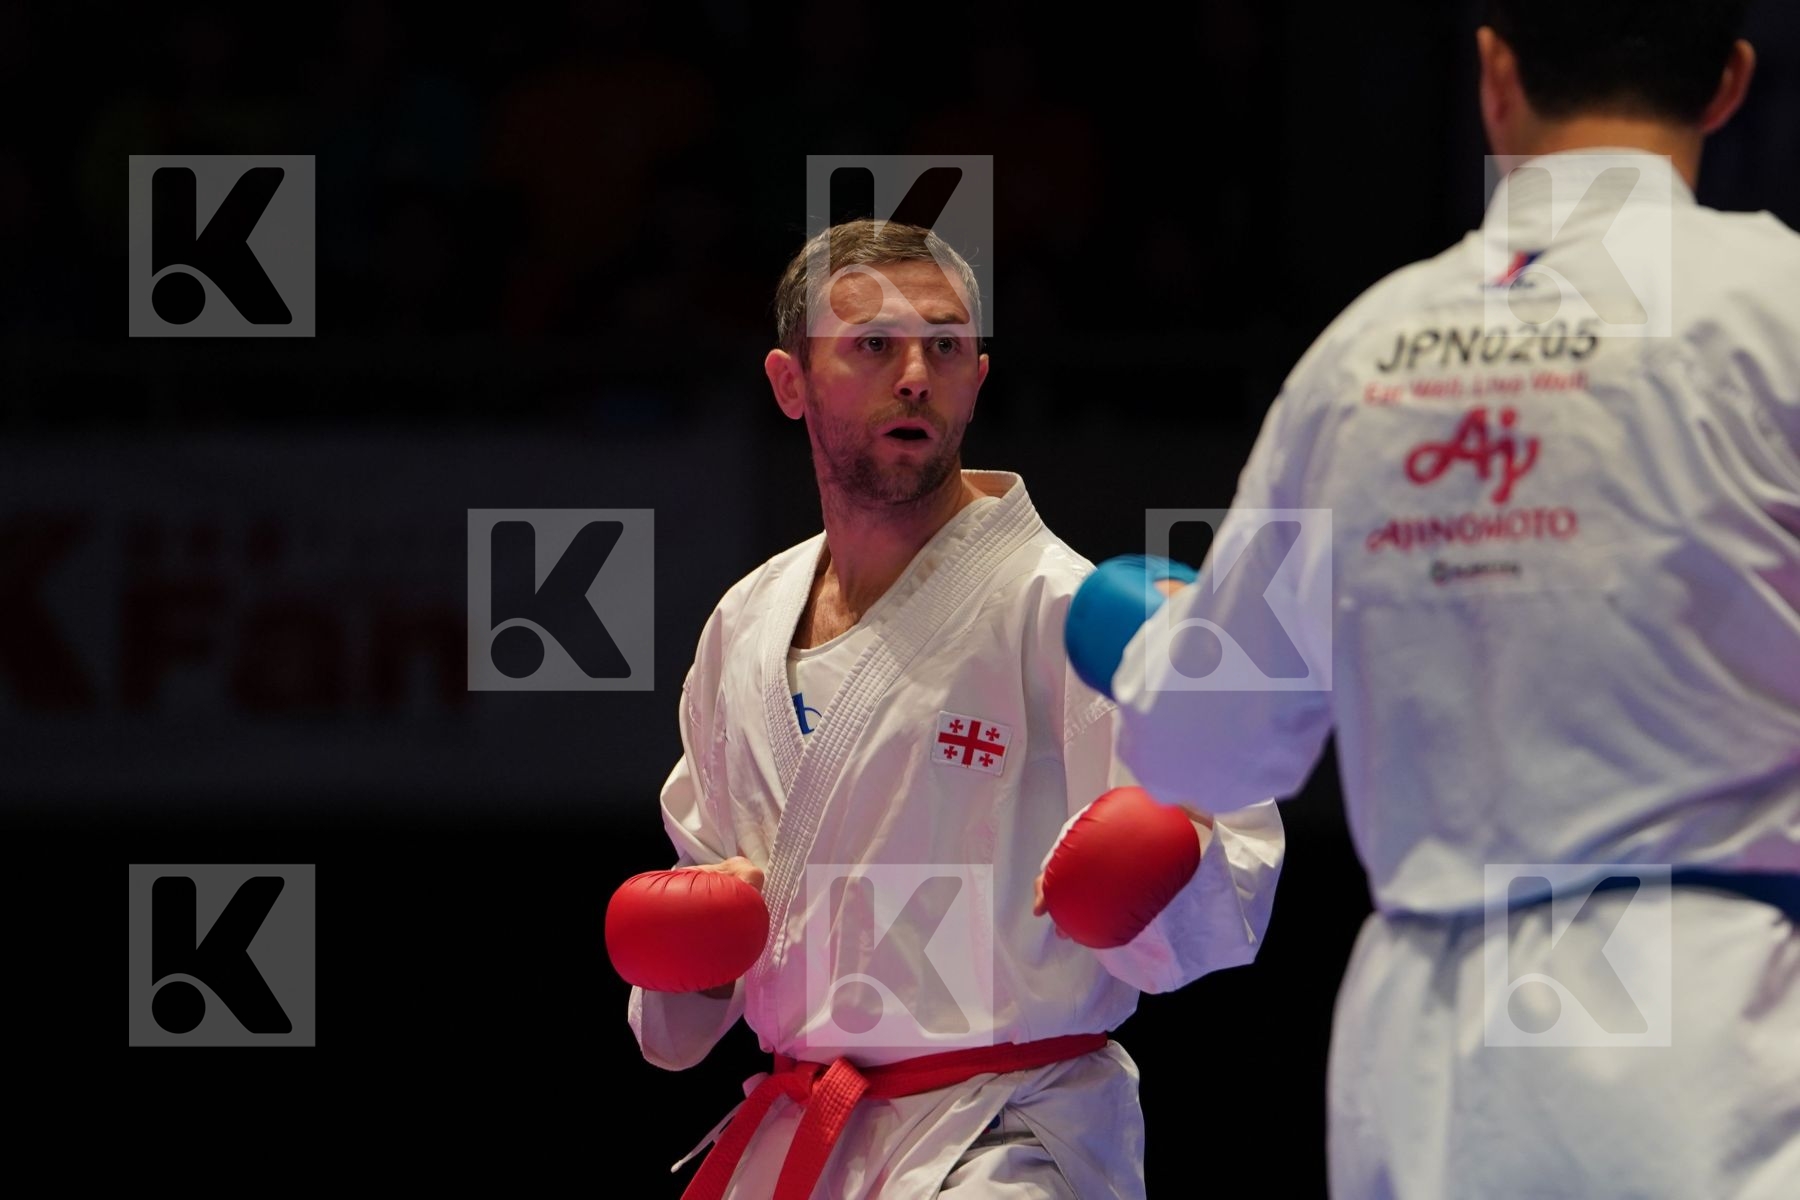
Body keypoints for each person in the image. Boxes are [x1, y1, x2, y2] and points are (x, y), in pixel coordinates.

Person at [1068, 1, 1800, 1195]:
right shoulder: (1776, 305)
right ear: (1729, 85)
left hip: (1419, 1059)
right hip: (1710, 1031)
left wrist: (1152, 645)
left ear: (1493, 73)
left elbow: (1201, 745)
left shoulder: (1363, 349)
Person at [622, 218, 1285, 1199]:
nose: (916, 374)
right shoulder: (745, 622)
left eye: (944, 344)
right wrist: (692, 958)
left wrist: (1170, 858)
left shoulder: (1061, 610)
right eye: (873, 347)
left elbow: (1230, 884)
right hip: (808, 1135)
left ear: (977, 377)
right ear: (790, 382)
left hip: (1007, 1139)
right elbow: (688, 994)